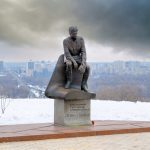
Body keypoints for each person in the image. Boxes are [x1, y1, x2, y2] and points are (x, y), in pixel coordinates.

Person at [63, 26, 90, 92]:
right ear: (70, 33)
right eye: (73, 33)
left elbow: (83, 52)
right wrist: (74, 62)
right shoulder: (65, 41)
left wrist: (83, 63)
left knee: (88, 67)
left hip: (78, 57)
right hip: (70, 58)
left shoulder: (81, 39)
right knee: (69, 64)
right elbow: (67, 54)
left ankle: (83, 84)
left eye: (76, 33)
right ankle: (69, 81)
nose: (75, 34)